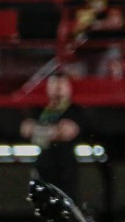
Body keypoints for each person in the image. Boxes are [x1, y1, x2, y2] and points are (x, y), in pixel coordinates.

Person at [19, 70, 87, 207]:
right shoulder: (42, 110)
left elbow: (68, 131)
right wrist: (53, 132)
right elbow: (25, 129)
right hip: (44, 165)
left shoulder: (73, 110)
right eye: (54, 83)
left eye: (62, 83)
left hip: (64, 166)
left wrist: (39, 131)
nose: (57, 88)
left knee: (66, 205)